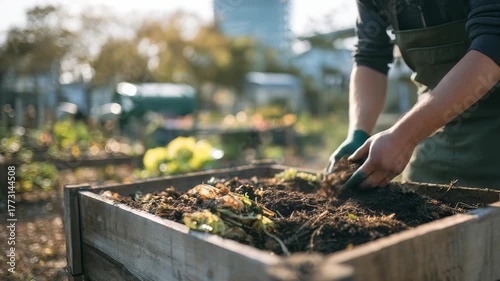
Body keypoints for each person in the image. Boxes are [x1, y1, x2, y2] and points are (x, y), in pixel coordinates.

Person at [326, 0, 500, 189]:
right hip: (432, 137)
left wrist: (405, 136)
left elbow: (492, 42)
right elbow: (369, 55)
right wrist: (358, 133)